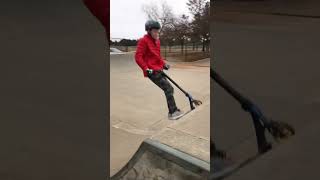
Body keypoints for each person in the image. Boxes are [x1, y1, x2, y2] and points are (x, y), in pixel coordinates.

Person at [135, 20, 184, 120]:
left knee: (170, 88)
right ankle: (173, 112)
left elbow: (157, 56)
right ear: (149, 31)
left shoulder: (157, 41)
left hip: (158, 69)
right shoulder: (143, 41)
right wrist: (146, 69)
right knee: (168, 88)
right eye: (155, 31)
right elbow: (138, 57)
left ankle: (173, 110)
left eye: (158, 31)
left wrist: (164, 64)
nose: (157, 33)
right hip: (151, 71)